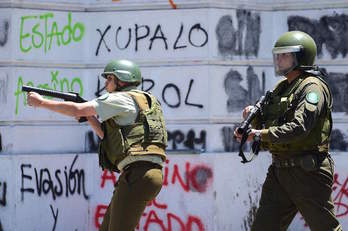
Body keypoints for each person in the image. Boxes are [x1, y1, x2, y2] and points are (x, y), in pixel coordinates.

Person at [27, 59, 168, 231]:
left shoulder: (119, 98)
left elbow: (77, 110)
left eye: (109, 78)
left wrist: (41, 103)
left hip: (137, 175)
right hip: (146, 174)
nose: (106, 83)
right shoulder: (145, 100)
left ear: (121, 80)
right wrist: (90, 118)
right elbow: (108, 136)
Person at [234, 31, 342, 231]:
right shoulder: (283, 87)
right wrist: (253, 116)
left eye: (285, 55)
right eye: (278, 55)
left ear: (300, 57)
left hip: (307, 172)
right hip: (280, 171)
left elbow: (299, 128)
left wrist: (258, 134)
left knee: (325, 228)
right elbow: (273, 119)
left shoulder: (312, 88)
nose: (279, 59)